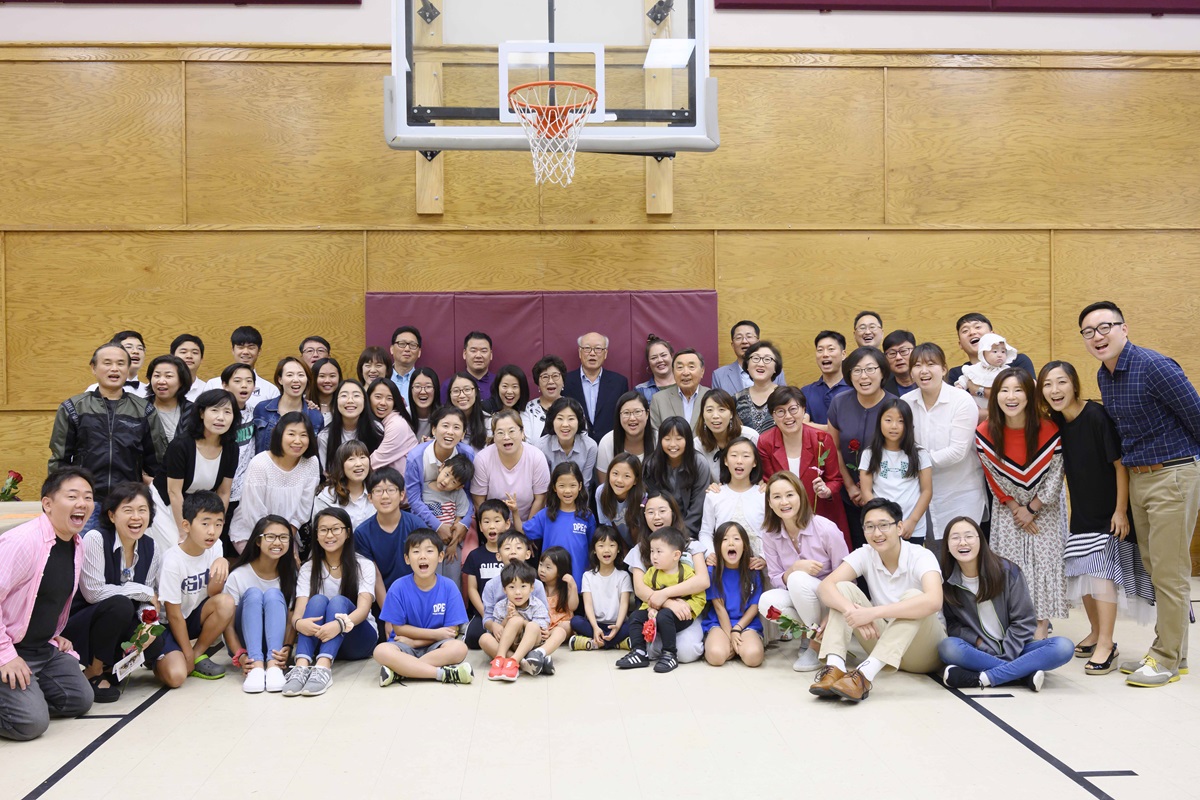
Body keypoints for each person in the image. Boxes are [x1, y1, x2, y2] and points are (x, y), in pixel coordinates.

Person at [1079, 301, 1200, 687]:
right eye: (1088, 332)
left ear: (1124, 328)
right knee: (1156, 568)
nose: (1098, 337)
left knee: (1170, 573)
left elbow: (1196, 417)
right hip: (1139, 478)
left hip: (1173, 474)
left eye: (1105, 327)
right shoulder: (1105, 375)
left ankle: (1165, 660)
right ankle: (1174, 653)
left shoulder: (1154, 366)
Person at [1040, 360, 1154, 674]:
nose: (1055, 390)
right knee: (1082, 574)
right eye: (1048, 384)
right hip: (1082, 513)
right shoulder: (1056, 423)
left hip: (1109, 514)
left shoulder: (1095, 415)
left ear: (1074, 384)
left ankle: (1106, 643)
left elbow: (1119, 466)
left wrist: (1120, 511)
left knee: (1100, 574)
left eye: (1061, 382)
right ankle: (1095, 632)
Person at [810, 499, 945, 703]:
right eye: (870, 527)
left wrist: (872, 613)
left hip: (924, 650)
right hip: (882, 644)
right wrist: (852, 612)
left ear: (899, 527)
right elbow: (825, 587)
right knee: (842, 588)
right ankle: (834, 667)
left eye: (884, 525)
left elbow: (934, 601)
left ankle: (864, 675)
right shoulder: (865, 553)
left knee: (915, 597)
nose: (877, 533)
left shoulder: (921, 555)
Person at [0, 468, 95, 741]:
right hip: (8, 648)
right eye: (72, 496)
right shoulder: (22, 542)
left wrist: (53, 634)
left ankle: (23, 696)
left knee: (79, 699)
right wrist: (6, 655)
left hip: (41, 648)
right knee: (31, 724)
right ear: (47, 504)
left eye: (88, 497)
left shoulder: (77, 543)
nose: (82, 503)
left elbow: (46, 599)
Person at [975, 368, 1067, 639]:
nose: (1011, 397)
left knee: (1043, 566)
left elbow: (1056, 474)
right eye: (1004, 390)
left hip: (1045, 510)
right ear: (995, 396)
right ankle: (1013, 629)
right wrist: (1017, 508)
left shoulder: (1049, 429)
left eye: (1018, 390)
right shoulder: (984, 433)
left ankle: (1041, 630)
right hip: (1008, 511)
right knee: (1010, 567)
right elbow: (992, 478)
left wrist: (1033, 508)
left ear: (1030, 395)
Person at [938, 517, 1074, 691]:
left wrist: (1008, 654)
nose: (962, 542)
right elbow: (952, 625)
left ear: (981, 541)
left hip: (1018, 648)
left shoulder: (1008, 571)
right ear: (947, 546)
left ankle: (983, 678)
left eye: (969, 536)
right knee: (948, 647)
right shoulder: (946, 581)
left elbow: (1024, 620)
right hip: (980, 651)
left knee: (1063, 646)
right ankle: (1022, 674)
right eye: (955, 537)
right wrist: (978, 642)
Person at [67, 483, 164, 703]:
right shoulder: (95, 538)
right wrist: (143, 591)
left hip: (118, 621)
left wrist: (148, 623)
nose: (136, 517)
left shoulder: (152, 548)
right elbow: (93, 593)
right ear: (112, 515)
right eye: (128, 510)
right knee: (120, 605)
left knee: (155, 640)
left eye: (142, 510)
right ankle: (93, 669)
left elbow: (146, 602)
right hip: (85, 622)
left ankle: (110, 670)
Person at [50, 342, 160, 529]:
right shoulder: (73, 408)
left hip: (128, 502)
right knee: (85, 548)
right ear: (93, 368)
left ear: (128, 369)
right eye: (107, 363)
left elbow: (156, 463)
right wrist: (57, 497)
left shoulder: (144, 410)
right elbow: (59, 460)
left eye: (120, 363)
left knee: (125, 549)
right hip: (85, 502)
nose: (114, 368)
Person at [757, 471, 848, 672]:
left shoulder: (825, 528)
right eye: (777, 497)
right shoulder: (770, 534)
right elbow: (775, 578)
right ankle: (812, 634)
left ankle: (815, 645)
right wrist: (794, 568)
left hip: (831, 599)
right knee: (767, 602)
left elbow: (847, 577)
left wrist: (834, 611)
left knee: (798, 580)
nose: (784, 502)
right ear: (769, 503)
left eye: (790, 495)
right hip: (800, 597)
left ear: (801, 496)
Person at [283, 508, 378, 697]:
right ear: (316, 534)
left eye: (335, 529)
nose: (329, 535)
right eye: (323, 530)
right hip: (321, 639)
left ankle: (323, 668)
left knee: (338, 602)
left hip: (358, 639)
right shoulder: (309, 568)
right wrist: (299, 623)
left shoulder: (363, 565)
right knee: (317, 600)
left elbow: (363, 609)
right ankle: (301, 666)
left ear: (347, 532)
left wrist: (339, 625)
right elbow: (299, 611)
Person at [902, 343, 989, 543]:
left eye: (930, 364)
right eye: (917, 365)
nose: (923, 370)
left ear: (943, 369)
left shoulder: (962, 400)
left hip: (960, 493)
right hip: (920, 496)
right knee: (932, 554)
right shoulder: (905, 402)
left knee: (963, 551)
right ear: (911, 373)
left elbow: (957, 452)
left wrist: (914, 463)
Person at [374, 530, 473, 687]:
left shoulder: (449, 587)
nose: (422, 556)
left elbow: (450, 632)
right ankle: (441, 674)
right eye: (416, 551)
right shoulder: (398, 587)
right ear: (407, 559)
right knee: (381, 651)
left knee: (459, 648)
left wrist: (416, 643)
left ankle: (402, 671)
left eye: (429, 551)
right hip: (404, 644)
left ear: (440, 556)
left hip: (437, 645)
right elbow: (399, 629)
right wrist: (433, 634)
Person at [156, 491, 234, 686]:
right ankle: (157, 658)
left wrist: (222, 562)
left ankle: (198, 654)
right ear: (186, 525)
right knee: (176, 677)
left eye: (218, 524)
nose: (212, 531)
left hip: (191, 617)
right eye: (205, 523)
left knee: (226, 602)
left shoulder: (216, 547)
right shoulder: (172, 561)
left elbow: (213, 594)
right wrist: (186, 655)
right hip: (167, 624)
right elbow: (173, 614)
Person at [147, 389, 238, 555]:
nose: (221, 417)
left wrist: (217, 523)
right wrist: (184, 531)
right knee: (175, 548)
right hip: (166, 503)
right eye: (215, 410)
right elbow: (174, 492)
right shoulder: (181, 445)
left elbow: (224, 492)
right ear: (202, 413)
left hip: (197, 506)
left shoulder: (231, 448)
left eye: (227, 412)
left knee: (208, 550)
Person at [623, 492, 710, 664]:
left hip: (686, 611)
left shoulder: (691, 545)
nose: (656, 516)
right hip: (654, 611)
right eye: (650, 512)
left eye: (662, 511)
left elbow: (702, 581)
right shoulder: (640, 549)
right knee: (650, 647)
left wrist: (665, 594)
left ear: (673, 513)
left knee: (686, 652)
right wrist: (668, 603)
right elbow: (640, 589)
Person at [756, 387, 848, 542]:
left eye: (793, 409)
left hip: (821, 514)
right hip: (786, 517)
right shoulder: (766, 442)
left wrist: (827, 490)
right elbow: (769, 481)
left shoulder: (821, 439)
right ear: (773, 415)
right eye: (780, 411)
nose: (788, 416)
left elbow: (835, 479)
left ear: (804, 410)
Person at [827, 346, 897, 549]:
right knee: (857, 550)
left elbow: (899, 454)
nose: (863, 376)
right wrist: (850, 487)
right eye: (856, 370)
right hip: (849, 496)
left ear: (882, 372)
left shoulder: (896, 405)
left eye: (870, 369)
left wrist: (869, 493)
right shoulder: (839, 403)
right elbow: (834, 448)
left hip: (886, 494)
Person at [222, 516, 297, 693]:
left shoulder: (291, 575)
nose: (277, 542)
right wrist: (240, 655)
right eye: (270, 536)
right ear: (258, 541)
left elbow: (291, 618)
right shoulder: (238, 575)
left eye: (283, 537)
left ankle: (273, 667)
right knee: (254, 594)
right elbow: (228, 626)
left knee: (273, 595)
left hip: (276, 646)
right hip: (246, 646)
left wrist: (287, 647)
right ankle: (256, 668)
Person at [617, 527, 706, 674]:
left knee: (665, 615)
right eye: (652, 551)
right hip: (657, 613)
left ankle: (669, 654)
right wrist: (651, 608)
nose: (654, 556)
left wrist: (688, 607)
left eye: (659, 552)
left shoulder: (686, 573)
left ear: (676, 555)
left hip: (682, 616)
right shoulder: (652, 573)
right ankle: (639, 652)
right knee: (635, 616)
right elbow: (647, 596)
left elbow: (700, 597)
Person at [231, 412, 321, 554]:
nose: (298, 441)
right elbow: (253, 512)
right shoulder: (260, 463)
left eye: (303, 435)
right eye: (291, 434)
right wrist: (274, 540)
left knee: (292, 566)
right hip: (252, 531)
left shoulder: (311, 462)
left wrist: (285, 539)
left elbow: (304, 506)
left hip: (287, 533)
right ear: (279, 435)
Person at [859, 399, 933, 544]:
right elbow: (866, 491)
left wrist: (912, 521)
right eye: (888, 420)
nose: (894, 426)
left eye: (901, 421)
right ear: (879, 422)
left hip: (912, 527)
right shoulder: (869, 453)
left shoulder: (919, 453)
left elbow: (927, 491)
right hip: (881, 528)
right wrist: (880, 521)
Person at [353, 468, 427, 598]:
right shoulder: (362, 533)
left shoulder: (416, 525)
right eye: (378, 491)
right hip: (382, 600)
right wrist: (389, 609)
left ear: (402, 495)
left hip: (416, 595)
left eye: (391, 490)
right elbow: (375, 576)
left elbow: (425, 566)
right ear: (370, 497)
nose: (385, 496)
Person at [405, 407, 478, 536]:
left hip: (456, 515)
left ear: (463, 434)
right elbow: (414, 500)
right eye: (445, 426)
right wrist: (438, 526)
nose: (450, 432)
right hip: (424, 519)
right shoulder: (415, 458)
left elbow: (467, 492)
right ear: (434, 429)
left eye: (456, 427)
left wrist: (464, 523)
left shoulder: (467, 454)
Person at [472, 532, 547, 657]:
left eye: (518, 548)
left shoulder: (536, 584)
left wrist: (541, 629)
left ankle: (516, 657)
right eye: (507, 548)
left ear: (528, 554)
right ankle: (519, 661)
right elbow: (487, 617)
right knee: (484, 639)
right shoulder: (491, 585)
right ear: (498, 556)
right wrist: (494, 626)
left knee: (557, 631)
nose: (513, 552)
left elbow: (544, 616)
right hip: (504, 635)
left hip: (529, 636)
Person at [701, 521, 764, 668]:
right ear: (717, 547)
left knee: (754, 658)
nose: (731, 543)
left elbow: (754, 606)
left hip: (746, 624)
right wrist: (731, 636)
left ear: (744, 545)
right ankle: (728, 645)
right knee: (716, 656)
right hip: (719, 623)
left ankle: (740, 647)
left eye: (736, 539)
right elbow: (719, 608)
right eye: (725, 539)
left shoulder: (753, 571)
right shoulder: (712, 571)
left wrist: (737, 629)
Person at [470, 411, 550, 525]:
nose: (506, 437)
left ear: (522, 433)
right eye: (500, 433)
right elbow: (479, 502)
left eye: (511, 431)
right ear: (494, 436)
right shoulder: (482, 459)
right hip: (494, 526)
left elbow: (540, 499)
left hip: (529, 524)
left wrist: (527, 531)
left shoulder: (536, 457)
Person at [523, 462, 595, 586]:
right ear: (554, 487)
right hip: (551, 584)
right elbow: (524, 531)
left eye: (572, 485)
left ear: (580, 486)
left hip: (579, 581)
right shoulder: (546, 515)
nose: (567, 490)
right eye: (562, 485)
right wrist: (514, 512)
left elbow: (593, 546)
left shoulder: (587, 516)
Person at [698, 437, 766, 561]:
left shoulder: (763, 495)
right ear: (725, 461)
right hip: (723, 562)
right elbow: (705, 533)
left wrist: (764, 558)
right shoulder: (714, 495)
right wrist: (711, 554)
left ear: (755, 462)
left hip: (757, 564)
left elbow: (773, 532)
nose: (739, 461)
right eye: (734, 455)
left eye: (746, 456)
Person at [642, 416, 710, 540]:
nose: (673, 444)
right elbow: (652, 503)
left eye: (678, 439)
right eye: (667, 439)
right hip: (659, 528)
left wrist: (681, 536)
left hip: (689, 532)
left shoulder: (699, 464)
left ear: (688, 440)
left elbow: (697, 507)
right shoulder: (651, 464)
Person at [410, 453, 473, 583]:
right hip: (428, 542)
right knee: (432, 576)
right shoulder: (423, 489)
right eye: (447, 474)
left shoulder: (458, 494)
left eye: (453, 482)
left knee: (452, 578)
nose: (446, 481)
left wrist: (453, 544)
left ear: (459, 486)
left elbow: (458, 521)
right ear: (442, 467)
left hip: (451, 543)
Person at [569, 526, 633, 651]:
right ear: (594, 550)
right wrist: (595, 627)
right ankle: (617, 643)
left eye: (612, 545)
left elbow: (624, 604)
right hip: (595, 624)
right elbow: (588, 605)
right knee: (575, 621)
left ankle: (595, 643)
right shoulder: (587, 576)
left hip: (617, 624)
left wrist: (617, 627)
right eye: (601, 546)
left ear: (618, 549)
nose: (606, 550)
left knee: (634, 622)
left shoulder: (623, 576)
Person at [485, 560, 550, 681]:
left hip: (529, 645)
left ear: (531, 587)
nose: (518, 592)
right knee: (484, 638)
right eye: (512, 587)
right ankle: (502, 659)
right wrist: (507, 618)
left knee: (530, 625)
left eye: (523, 586)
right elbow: (499, 633)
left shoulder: (537, 605)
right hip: (509, 645)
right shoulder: (501, 606)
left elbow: (540, 630)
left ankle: (514, 661)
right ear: (504, 590)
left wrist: (519, 617)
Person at [219, 363, 259, 557]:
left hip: (246, 493)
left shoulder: (255, 412)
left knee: (241, 545)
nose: (244, 385)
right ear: (225, 385)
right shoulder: (218, 416)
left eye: (249, 381)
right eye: (237, 381)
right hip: (220, 491)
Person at [564, 332, 630, 442]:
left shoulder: (619, 383)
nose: (592, 353)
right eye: (587, 348)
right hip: (575, 444)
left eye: (598, 349)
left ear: (605, 353)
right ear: (580, 352)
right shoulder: (565, 381)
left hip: (610, 444)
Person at [252, 357, 324, 454]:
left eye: (301, 375)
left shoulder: (315, 416)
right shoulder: (262, 409)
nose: (296, 379)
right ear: (280, 380)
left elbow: (315, 454)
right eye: (290, 375)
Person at [947, 312, 1037, 388]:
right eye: (965, 331)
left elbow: (1029, 390)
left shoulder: (1017, 361)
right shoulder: (958, 373)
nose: (972, 332)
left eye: (977, 327)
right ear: (960, 345)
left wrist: (979, 391)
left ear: (993, 335)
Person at [526, 546, 578, 674]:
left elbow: (573, 607)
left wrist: (572, 586)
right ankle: (541, 652)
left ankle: (540, 650)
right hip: (542, 627)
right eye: (541, 565)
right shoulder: (536, 587)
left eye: (548, 567)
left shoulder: (564, 588)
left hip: (559, 626)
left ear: (560, 571)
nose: (542, 570)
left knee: (565, 626)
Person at [202, 326, 280, 410]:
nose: (245, 352)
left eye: (251, 347)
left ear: (259, 351)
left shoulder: (271, 390)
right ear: (233, 350)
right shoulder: (213, 384)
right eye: (240, 347)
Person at [533, 397, 598, 492]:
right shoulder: (540, 447)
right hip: (550, 497)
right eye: (560, 418)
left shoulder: (590, 447)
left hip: (579, 498)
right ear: (552, 420)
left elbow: (584, 485)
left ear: (579, 421)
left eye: (571, 419)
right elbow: (542, 487)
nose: (565, 424)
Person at [462, 500, 509, 628]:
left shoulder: (513, 554)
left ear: (507, 524)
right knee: (473, 636)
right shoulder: (475, 556)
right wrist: (486, 615)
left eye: (497, 521)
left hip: (511, 613)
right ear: (480, 526)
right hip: (484, 613)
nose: (491, 526)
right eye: (486, 522)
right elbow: (472, 589)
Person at [318, 379, 382, 473]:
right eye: (344, 395)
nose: (350, 400)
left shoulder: (377, 429)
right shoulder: (325, 436)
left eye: (356, 395)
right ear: (336, 401)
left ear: (365, 401)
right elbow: (329, 473)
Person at [696, 389, 760, 482]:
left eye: (721, 410)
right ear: (703, 415)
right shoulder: (697, 445)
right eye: (709, 410)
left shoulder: (750, 437)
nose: (715, 416)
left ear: (731, 414)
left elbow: (761, 473)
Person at [311, 440, 375, 531]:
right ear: (341, 465)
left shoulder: (378, 492)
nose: (359, 464)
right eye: (351, 459)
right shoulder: (327, 497)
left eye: (362, 457)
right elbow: (320, 531)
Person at [711, 320, 787, 396]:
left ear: (758, 342)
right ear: (733, 345)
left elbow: (783, 399)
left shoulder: (774, 370)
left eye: (749, 336)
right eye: (739, 337)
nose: (744, 341)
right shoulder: (719, 375)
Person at [595, 391, 653, 484]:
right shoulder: (607, 442)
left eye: (637, 412)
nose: (632, 418)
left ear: (647, 414)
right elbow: (604, 486)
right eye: (626, 413)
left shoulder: (658, 439)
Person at [145, 354, 193, 461]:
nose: (161, 381)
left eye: (168, 376)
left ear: (181, 381)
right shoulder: (139, 408)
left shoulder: (194, 412)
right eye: (157, 376)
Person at [366, 378, 418, 474]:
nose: (383, 403)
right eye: (378, 397)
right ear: (368, 398)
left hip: (402, 482)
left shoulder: (397, 424)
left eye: (389, 398)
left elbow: (374, 462)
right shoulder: (379, 422)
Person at [956, 332, 1019, 411]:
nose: (1000, 355)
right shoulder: (975, 369)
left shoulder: (1007, 371)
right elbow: (965, 378)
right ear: (983, 353)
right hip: (975, 408)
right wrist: (960, 386)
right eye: (995, 351)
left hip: (998, 409)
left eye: (1003, 351)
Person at [649, 349, 710, 430]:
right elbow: (655, 434)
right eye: (680, 367)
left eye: (691, 367)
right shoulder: (659, 400)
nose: (685, 373)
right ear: (673, 372)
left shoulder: (711, 397)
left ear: (702, 371)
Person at [802, 331, 852, 428]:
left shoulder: (855, 389)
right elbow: (803, 426)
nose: (825, 354)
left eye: (831, 349)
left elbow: (850, 428)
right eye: (820, 350)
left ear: (843, 354)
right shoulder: (806, 392)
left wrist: (813, 426)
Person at [595, 453, 645, 549]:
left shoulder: (642, 497)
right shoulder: (601, 492)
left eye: (627, 476)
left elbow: (640, 530)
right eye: (615, 473)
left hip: (640, 544)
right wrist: (623, 550)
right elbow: (608, 526)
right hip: (617, 543)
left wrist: (635, 553)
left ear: (635, 480)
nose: (619, 480)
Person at [734, 341, 784, 434]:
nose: (760, 364)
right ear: (747, 366)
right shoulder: (736, 399)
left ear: (775, 368)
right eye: (755, 358)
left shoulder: (785, 396)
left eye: (767, 359)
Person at [85, 330, 148, 397]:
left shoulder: (150, 391)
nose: (136, 351)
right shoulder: (94, 390)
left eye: (140, 348)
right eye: (129, 347)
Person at [522, 356, 566, 441]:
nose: (550, 381)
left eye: (555, 376)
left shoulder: (573, 407)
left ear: (563, 382)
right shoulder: (528, 409)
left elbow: (582, 439)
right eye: (545, 377)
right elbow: (526, 443)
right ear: (538, 384)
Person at [442, 331, 496, 398]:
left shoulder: (499, 384)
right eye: (473, 351)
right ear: (465, 354)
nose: (478, 356)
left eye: (483, 351)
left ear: (491, 355)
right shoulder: (449, 385)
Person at [447, 372, 489, 451]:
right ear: (450, 394)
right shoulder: (442, 421)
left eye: (467, 389)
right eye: (456, 391)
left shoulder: (488, 422)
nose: (462, 395)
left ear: (476, 392)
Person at [388, 325, 423, 408]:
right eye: (402, 344)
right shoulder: (383, 378)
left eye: (413, 345)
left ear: (419, 352)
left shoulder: (423, 383)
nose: (407, 349)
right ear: (392, 349)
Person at [635, 334, 676, 403]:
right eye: (654, 358)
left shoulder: (687, 385)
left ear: (672, 356)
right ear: (649, 362)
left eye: (663, 355)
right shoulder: (641, 390)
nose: (660, 360)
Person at [406, 366, 440, 442]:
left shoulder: (444, 417)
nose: (423, 392)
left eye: (428, 386)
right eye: (417, 386)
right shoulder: (403, 416)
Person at [171, 333, 207, 401]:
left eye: (195, 352)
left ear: (201, 359)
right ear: (172, 356)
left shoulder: (207, 389)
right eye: (183, 352)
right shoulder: (159, 387)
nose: (189, 356)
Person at [881, 330, 918, 397]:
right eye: (892, 353)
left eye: (903, 351)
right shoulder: (882, 390)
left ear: (915, 351)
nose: (898, 357)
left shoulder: (929, 382)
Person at [309, 357, 343, 425]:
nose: (327, 380)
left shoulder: (344, 406)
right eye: (322, 376)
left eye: (332, 376)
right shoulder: (305, 405)